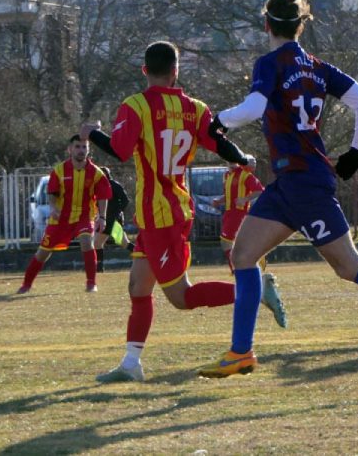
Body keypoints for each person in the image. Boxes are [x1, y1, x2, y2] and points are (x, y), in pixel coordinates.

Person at [197, 0, 358, 378]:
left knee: (349, 266)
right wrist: (357, 150)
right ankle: (240, 352)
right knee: (244, 255)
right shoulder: (316, 66)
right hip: (293, 182)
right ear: (300, 27)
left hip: (303, 183)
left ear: (267, 25)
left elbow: (254, 108)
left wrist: (219, 120)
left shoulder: (270, 63)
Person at [80, 40, 268, 383]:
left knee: (182, 297)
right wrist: (240, 158)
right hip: (165, 213)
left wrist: (92, 133)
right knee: (138, 287)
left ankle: (254, 290)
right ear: (175, 71)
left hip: (162, 216)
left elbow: (120, 151)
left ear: (144, 70)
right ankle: (131, 364)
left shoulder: (135, 105)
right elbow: (219, 141)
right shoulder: (195, 108)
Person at [17, 134, 111, 294]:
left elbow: (103, 195)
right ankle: (26, 284)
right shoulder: (59, 171)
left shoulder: (96, 173)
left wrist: (102, 217)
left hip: (84, 216)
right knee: (43, 253)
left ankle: (91, 283)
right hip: (61, 219)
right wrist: (53, 208)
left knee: (87, 242)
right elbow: (52, 193)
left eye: (84, 147)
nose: (81, 150)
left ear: (88, 151)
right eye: (77, 147)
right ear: (70, 149)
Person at [213, 157, 288, 328]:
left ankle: (251, 274)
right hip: (229, 215)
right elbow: (229, 195)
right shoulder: (227, 175)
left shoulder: (245, 175)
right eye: (228, 160)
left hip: (238, 216)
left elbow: (259, 190)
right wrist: (220, 200)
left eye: (232, 160)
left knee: (230, 245)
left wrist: (245, 200)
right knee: (234, 247)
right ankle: (257, 275)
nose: (231, 162)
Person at [93, 166, 134, 273]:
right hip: (106, 219)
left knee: (98, 242)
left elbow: (125, 200)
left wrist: (118, 212)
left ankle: (143, 256)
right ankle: (99, 268)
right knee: (123, 243)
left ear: (105, 174)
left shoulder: (114, 185)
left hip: (112, 220)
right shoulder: (99, 186)